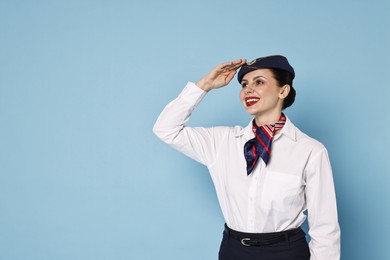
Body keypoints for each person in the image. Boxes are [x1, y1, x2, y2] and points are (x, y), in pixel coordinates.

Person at [153, 55, 340, 260]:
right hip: (234, 251)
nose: (248, 89)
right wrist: (205, 85)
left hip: (286, 252)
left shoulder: (310, 151)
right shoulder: (222, 142)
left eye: (259, 82)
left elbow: (325, 228)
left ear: (283, 91)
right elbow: (166, 129)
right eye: (244, 84)